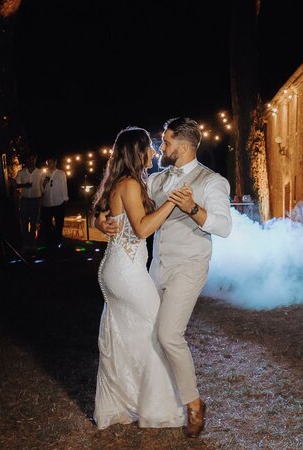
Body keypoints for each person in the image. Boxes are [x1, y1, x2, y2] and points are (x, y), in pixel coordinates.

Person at [97, 117, 232, 438]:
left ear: (182, 147)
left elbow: (224, 227)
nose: (161, 147)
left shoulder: (213, 181)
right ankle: (146, 397)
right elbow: (124, 205)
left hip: (189, 267)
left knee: (169, 334)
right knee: (149, 334)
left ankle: (193, 404)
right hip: (155, 267)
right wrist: (102, 220)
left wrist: (193, 208)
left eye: (167, 142)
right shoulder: (156, 181)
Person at [93, 126, 190, 430]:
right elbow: (143, 229)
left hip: (116, 268)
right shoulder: (130, 184)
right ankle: (159, 409)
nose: (154, 151)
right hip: (126, 272)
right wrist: (172, 202)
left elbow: (105, 215)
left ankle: (122, 404)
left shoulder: (123, 183)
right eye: (150, 147)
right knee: (157, 332)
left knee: (124, 336)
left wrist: (100, 218)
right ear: (138, 151)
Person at [15, 153, 43, 252]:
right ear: (27, 160)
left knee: (34, 223)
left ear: (35, 160)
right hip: (25, 200)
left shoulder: (40, 172)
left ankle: (33, 244)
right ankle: (25, 244)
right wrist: (24, 185)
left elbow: (43, 186)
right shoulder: (21, 172)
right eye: (29, 159)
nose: (31, 161)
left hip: (36, 200)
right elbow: (15, 185)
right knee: (24, 224)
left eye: (33, 159)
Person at [40, 158, 68, 248]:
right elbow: (42, 189)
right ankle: (49, 243)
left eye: (52, 162)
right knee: (47, 224)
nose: (50, 164)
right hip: (47, 203)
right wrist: (44, 183)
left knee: (59, 224)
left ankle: (58, 242)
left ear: (55, 162)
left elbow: (64, 185)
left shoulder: (61, 173)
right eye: (48, 163)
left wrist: (65, 198)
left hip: (59, 202)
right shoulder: (44, 174)